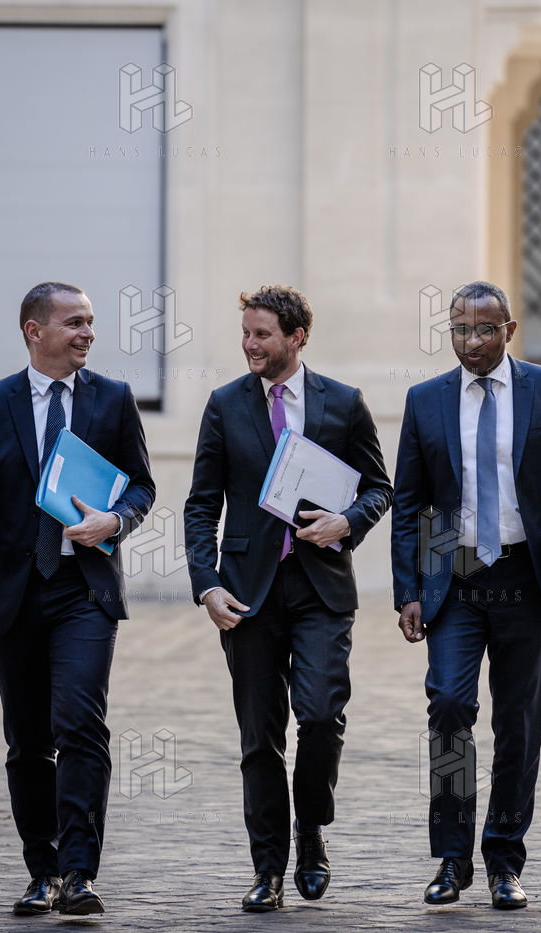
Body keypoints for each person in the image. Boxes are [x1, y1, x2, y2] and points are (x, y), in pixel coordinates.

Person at [391, 281, 541, 910]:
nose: (472, 343)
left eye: (485, 331)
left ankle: (504, 859)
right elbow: (409, 504)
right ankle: (451, 858)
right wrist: (408, 590)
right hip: (455, 580)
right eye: (460, 330)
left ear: (508, 331)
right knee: (449, 706)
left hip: (527, 579)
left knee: (518, 724)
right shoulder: (425, 400)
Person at [0, 282, 155, 917]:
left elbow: (141, 487)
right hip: (11, 595)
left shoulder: (113, 399)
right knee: (29, 739)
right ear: (34, 331)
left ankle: (80, 872)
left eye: (91, 322)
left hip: (83, 590)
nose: (88, 333)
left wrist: (114, 521)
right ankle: (42, 870)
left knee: (80, 724)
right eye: (74, 322)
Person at [184, 285, 392, 912]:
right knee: (260, 736)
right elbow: (201, 504)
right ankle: (268, 868)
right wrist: (207, 583)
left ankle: (312, 826)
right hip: (246, 592)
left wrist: (347, 521)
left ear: (297, 337)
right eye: (245, 334)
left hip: (321, 586)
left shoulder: (343, 403)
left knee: (321, 715)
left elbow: (379, 488)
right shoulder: (225, 405)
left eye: (262, 335)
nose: (250, 345)